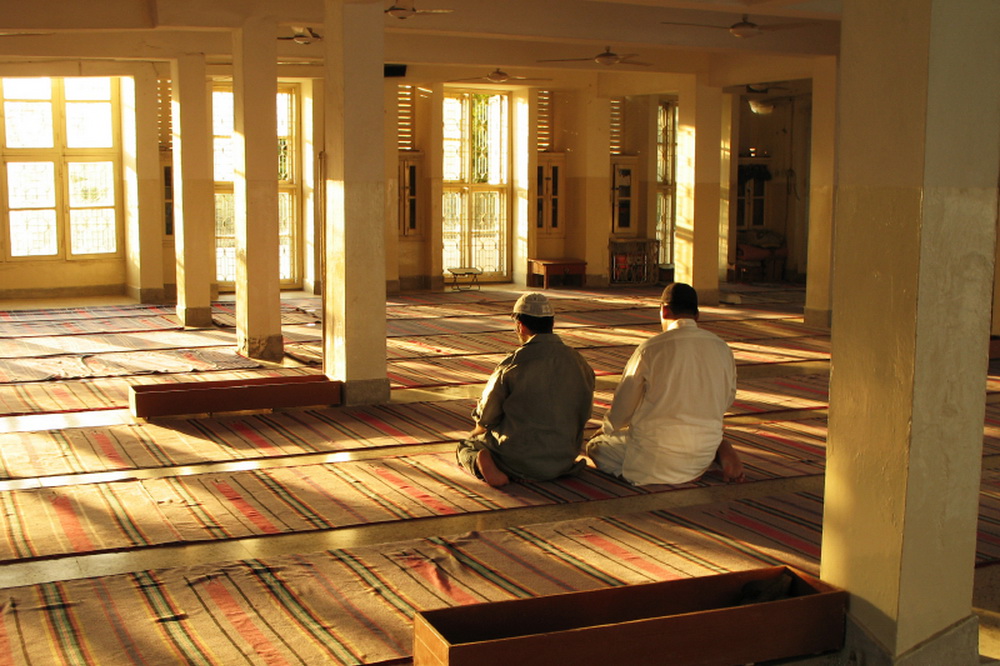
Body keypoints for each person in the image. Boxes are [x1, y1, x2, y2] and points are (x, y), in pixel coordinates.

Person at [586, 282, 745, 485]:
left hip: (654, 458)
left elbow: (624, 405)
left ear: (663, 310)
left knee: (597, 447)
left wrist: (608, 428)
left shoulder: (650, 349)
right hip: (702, 451)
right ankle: (717, 450)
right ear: (697, 316)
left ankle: (644, 469)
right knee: (700, 439)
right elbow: (727, 399)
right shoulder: (722, 348)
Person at [456, 292, 596, 487]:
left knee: (466, 446)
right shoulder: (579, 362)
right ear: (552, 323)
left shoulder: (512, 364)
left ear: (520, 325)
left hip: (517, 457)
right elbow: (585, 412)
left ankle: (484, 464)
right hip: (562, 458)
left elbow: (487, 416)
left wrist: (476, 432)